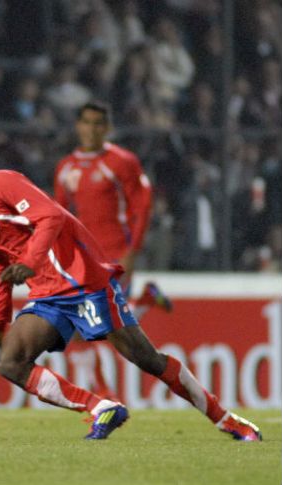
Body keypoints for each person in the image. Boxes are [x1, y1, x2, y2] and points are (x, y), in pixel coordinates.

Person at [0, 137, 261, 441]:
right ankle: (101, 408)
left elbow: (50, 216)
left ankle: (226, 419)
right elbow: (0, 265)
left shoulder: (2, 182)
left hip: (82, 279)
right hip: (47, 294)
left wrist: (31, 261)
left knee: (146, 358)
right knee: (11, 363)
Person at [53, 102, 171, 398]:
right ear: (78, 126)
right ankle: (146, 298)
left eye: (98, 124)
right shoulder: (66, 167)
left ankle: (104, 394)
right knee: (91, 325)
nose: (91, 129)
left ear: (107, 128)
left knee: (93, 325)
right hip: (82, 258)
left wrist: (133, 251)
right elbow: (58, 216)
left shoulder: (121, 162)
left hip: (115, 256)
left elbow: (142, 206)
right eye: (86, 123)